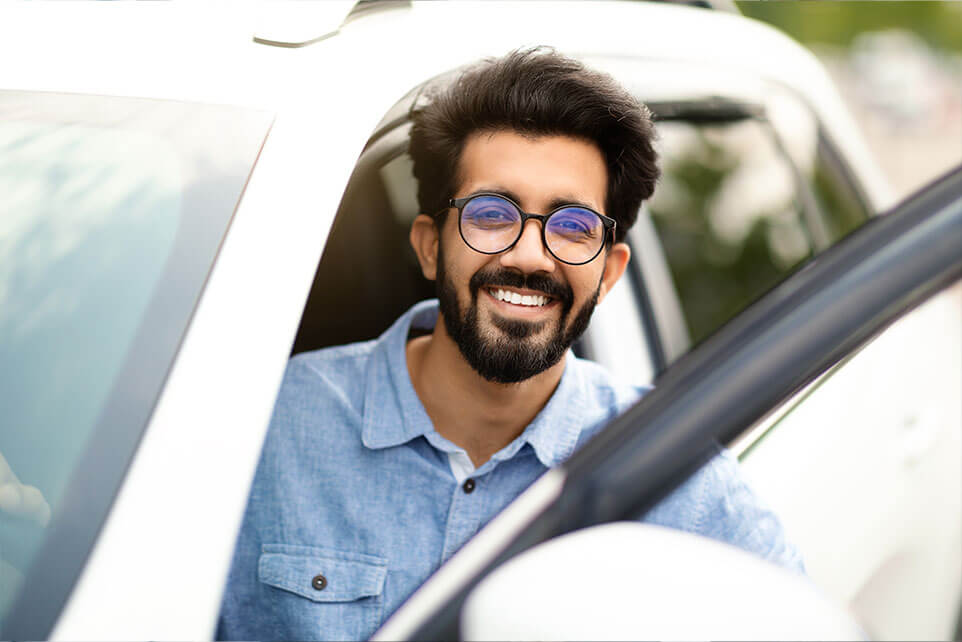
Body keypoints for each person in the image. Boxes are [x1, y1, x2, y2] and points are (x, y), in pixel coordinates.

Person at [217, 48, 802, 641]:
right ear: (429, 246)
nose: (527, 255)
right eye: (492, 214)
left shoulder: (678, 478)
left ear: (609, 273)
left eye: (572, 226)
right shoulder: (260, 430)